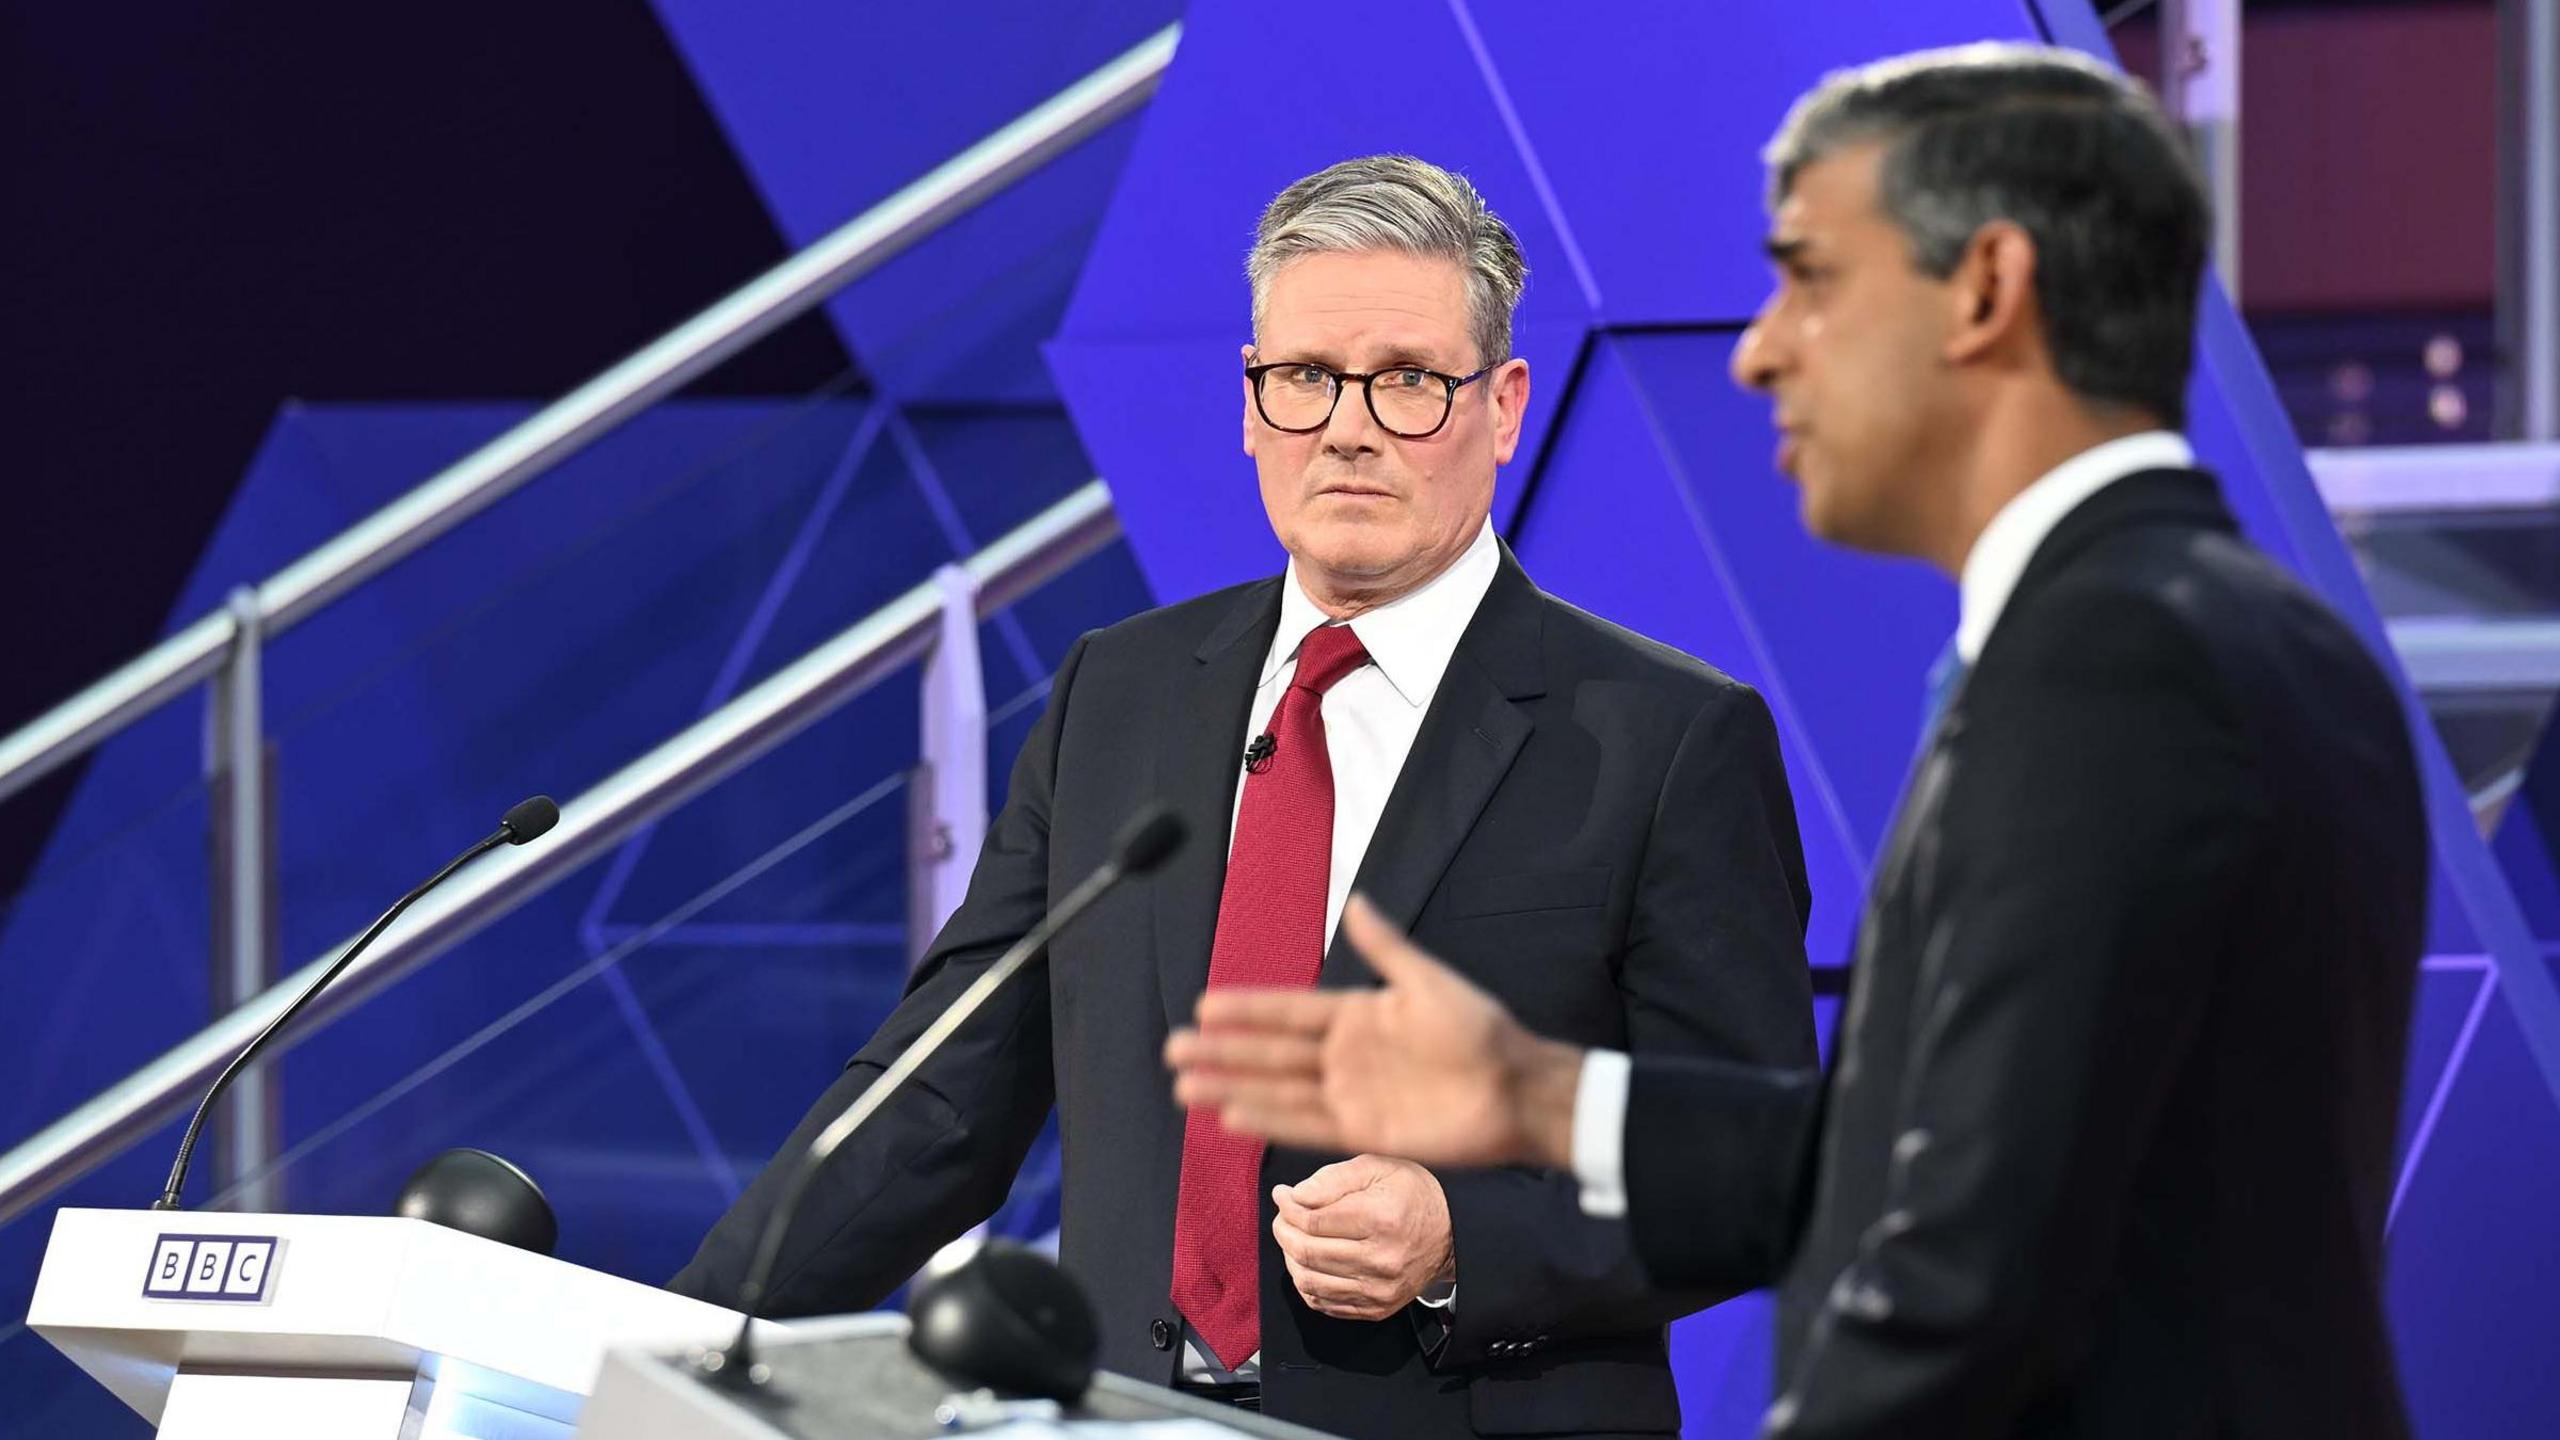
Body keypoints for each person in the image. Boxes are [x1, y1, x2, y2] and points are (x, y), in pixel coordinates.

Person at [1169, 46, 2427, 1439]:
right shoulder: (2216, 630)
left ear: (1988, 292)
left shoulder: (2124, 668)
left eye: (1812, 279)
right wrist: (1543, 1099)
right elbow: (1930, 1155)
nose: (1761, 346)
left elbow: (1970, 1268)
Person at [673, 153, 1819, 1439]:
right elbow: (943, 1093)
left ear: (1501, 409)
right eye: (1306, 379)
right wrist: (682, 1340)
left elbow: (1749, 1166)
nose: (1346, 425)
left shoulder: (1665, 737)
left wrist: (1461, 1239)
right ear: (1250, 403)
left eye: (1406, 382)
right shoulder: (1122, 690)